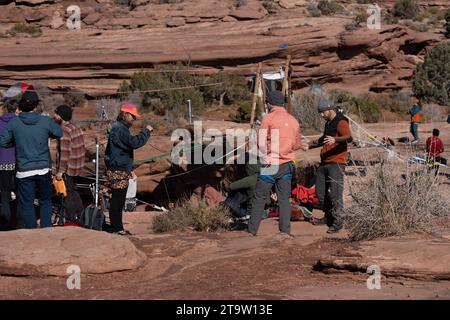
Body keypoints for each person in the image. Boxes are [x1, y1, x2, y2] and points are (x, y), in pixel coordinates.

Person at [0, 89, 63, 229]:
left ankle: (31, 230)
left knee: (26, 203)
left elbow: (2, 142)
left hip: (24, 170)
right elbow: (59, 132)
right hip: (43, 168)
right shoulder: (45, 121)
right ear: (36, 106)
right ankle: (46, 227)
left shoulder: (14, 123)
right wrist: (46, 134)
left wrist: (16, 141)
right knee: (45, 200)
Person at [247, 90, 302, 237]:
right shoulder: (293, 120)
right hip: (287, 164)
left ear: (269, 103)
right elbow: (297, 145)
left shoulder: (268, 118)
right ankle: (285, 231)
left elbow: (260, 142)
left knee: (259, 197)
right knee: (284, 199)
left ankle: (252, 230)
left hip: (271, 163)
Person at [104, 103, 152, 235]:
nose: (134, 119)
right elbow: (134, 143)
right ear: (124, 114)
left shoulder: (119, 127)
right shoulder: (120, 129)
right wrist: (146, 132)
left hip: (119, 167)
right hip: (118, 168)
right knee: (118, 200)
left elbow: (118, 150)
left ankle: (117, 228)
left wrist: (128, 168)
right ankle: (116, 229)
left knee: (118, 199)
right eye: (132, 116)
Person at [305, 99, 352, 234]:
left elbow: (349, 138)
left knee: (336, 194)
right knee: (320, 193)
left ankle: (338, 221)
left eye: (322, 112)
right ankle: (329, 216)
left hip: (336, 163)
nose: (321, 115)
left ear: (330, 109)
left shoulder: (341, 121)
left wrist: (335, 140)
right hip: (324, 162)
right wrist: (310, 144)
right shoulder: (329, 123)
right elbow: (324, 139)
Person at [53, 104, 86, 224]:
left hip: (69, 169)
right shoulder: (76, 127)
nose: (54, 115)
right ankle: (81, 216)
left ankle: (70, 219)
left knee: (66, 194)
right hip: (78, 167)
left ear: (60, 117)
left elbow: (65, 153)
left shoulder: (64, 131)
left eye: (56, 113)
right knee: (74, 191)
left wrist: (60, 171)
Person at [0, 102, 18, 230]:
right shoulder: (19, 123)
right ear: (17, 109)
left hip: (2, 163)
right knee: (19, 193)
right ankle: (18, 221)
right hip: (18, 162)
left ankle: (6, 223)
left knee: (5, 195)